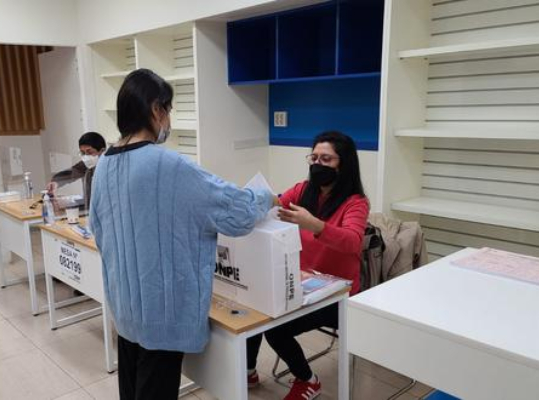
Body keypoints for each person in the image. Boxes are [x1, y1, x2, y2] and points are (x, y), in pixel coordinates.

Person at [88, 68, 278, 400]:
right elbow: (237, 212)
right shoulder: (170, 166)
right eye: (169, 110)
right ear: (156, 109)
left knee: (132, 390)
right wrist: (267, 198)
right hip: (163, 314)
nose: (169, 120)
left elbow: (97, 228)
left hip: (125, 308)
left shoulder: (104, 164)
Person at [246, 131, 369, 400]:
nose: (317, 164)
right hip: (303, 284)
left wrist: (314, 224)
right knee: (256, 306)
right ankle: (248, 370)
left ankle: (308, 380)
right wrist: (252, 198)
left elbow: (353, 242)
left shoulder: (355, 202)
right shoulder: (303, 190)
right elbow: (276, 203)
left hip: (338, 296)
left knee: (275, 327)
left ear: (343, 164)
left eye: (326, 159)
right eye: (314, 158)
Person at [46, 131, 106, 210]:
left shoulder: (110, 167)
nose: (86, 156)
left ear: (102, 151)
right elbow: (72, 172)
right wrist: (55, 181)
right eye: (83, 153)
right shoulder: (86, 165)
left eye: (89, 152)